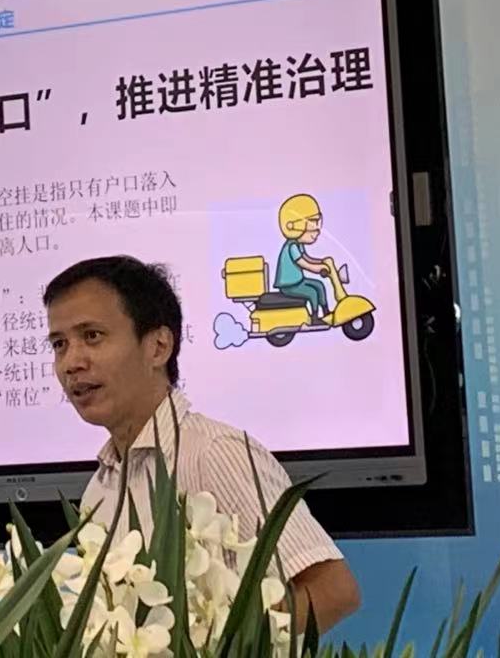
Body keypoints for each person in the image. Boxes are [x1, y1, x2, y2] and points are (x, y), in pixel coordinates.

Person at [43, 254, 360, 633]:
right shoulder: (100, 488)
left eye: (92, 336)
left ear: (159, 346)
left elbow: (332, 590)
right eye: (59, 344)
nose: (71, 362)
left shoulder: (214, 452)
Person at [275, 194, 332, 323]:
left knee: (319, 285)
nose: (316, 228)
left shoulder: (298, 244)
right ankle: (315, 317)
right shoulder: (292, 247)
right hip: (289, 285)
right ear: (293, 225)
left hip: (298, 282)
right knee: (312, 293)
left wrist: (321, 262)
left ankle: (326, 312)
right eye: (312, 222)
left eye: (317, 222)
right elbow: (303, 263)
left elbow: (307, 258)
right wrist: (318, 269)